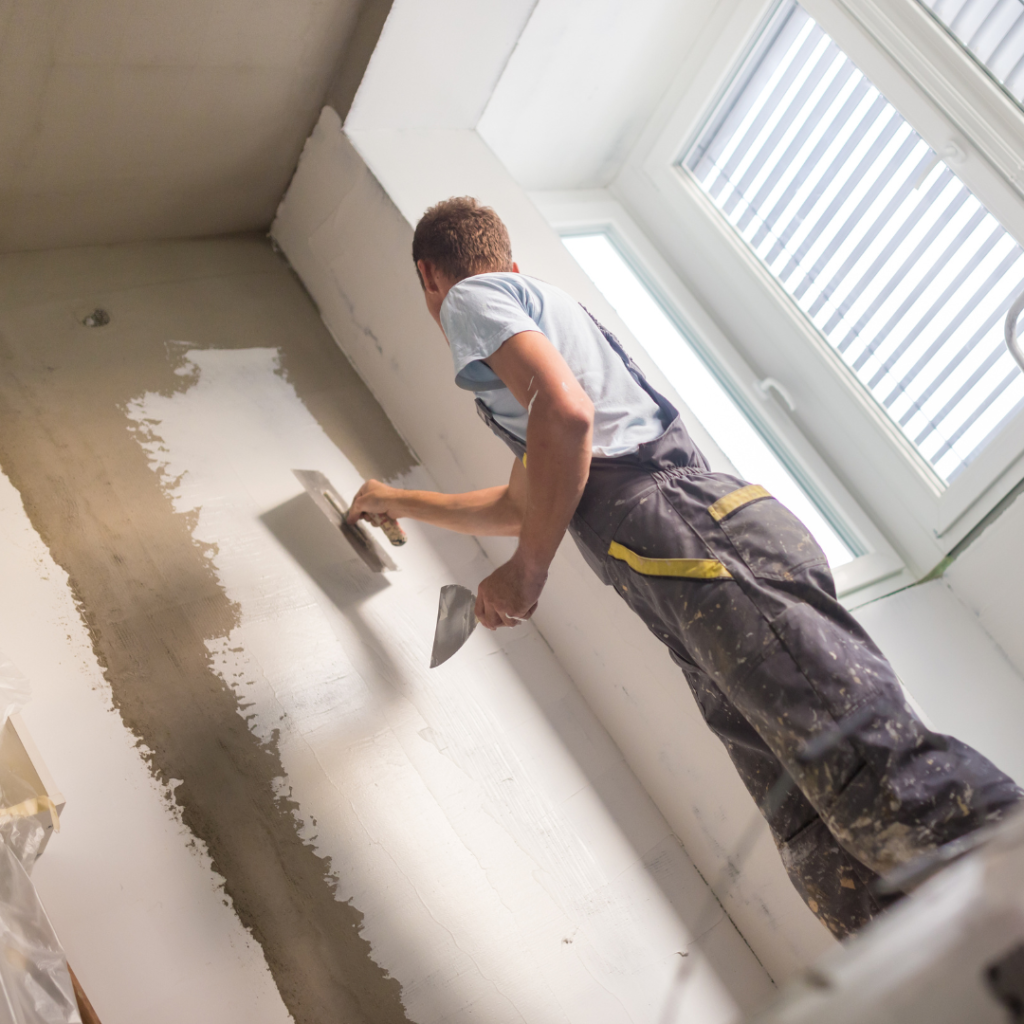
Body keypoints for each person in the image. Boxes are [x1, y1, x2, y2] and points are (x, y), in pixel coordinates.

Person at [348, 196, 1022, 938]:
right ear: (510, 264)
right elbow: (524, 497)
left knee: (869, 770)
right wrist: (400, 501)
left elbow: (566, 419)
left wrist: (529, 572)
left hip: (693, 537)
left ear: (430, 275)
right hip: (681, 567)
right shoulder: (530, 335)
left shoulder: (473, 299)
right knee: (823, 847)